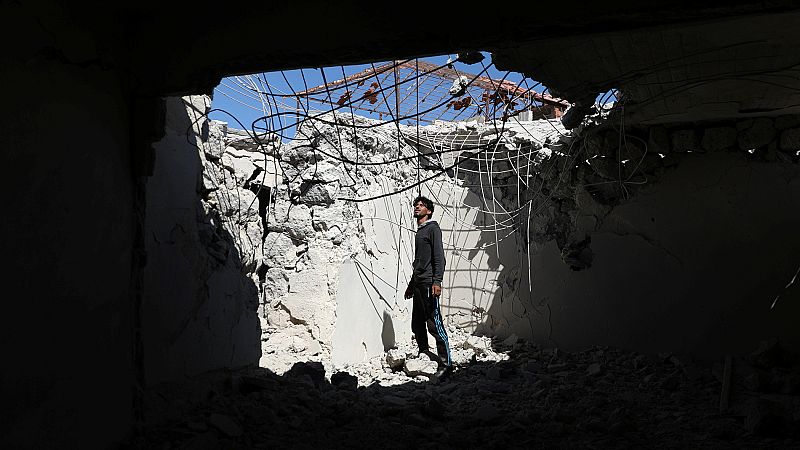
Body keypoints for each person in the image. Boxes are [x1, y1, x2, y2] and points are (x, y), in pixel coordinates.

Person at [404, 196, 452, 380]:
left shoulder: (433, 229)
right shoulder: (419, 232)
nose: (417, 207)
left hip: (429, 285)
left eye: (421, 206)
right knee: (417, 323)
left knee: (434, 323)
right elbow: (419, 262)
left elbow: (439, 257)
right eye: (416, 205)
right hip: (418, 284)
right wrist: (411, 285)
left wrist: (437, 281)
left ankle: (446, 364)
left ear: (429, 211)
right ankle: (424, 353)